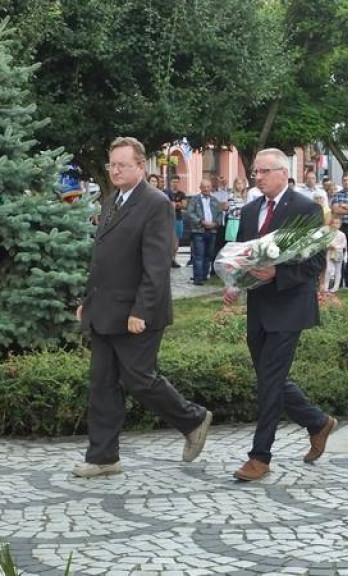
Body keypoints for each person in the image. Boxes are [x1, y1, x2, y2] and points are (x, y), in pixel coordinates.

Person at [74, 137, 212, 477]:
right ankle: (103, 457)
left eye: (122, 165)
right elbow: (102, 260)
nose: (115, 170)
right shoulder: (110, 202)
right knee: (102, 383)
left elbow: (157, 263)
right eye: (112, 165)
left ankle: (193, 418)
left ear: (140, 166)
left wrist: (141, 311)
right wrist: (86, 302)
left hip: (138, 312)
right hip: (104, 309)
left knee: (139, 380)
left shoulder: (155, 204)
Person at [224, 148, 337, 482]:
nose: (256, 177)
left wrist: (278, 274)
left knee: (270, 381)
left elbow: (315, 263)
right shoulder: (249, 210)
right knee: (269, 378)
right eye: (255, 172)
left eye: (262, 171)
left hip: (289, 306)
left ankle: (260, 457)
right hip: (258, 306)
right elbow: (241, 254)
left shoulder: (306, 209)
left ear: (282, 174)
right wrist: (232, 280)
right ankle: (317, 422)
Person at [185, 179, 223, 285]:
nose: (206, 189)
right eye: (204, 187)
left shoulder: (215, 200)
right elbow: (190, 213)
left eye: (208, 187)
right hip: (199, 230)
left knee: (208, 255)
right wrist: (201, 222)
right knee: (199, 255)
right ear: (200, 188)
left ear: (211, 188)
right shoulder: (194, 200)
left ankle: (205, 276)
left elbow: (220, 214)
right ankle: (198, 278)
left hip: (212, 230)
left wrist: (215, 224)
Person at [324, 216, 348, 292]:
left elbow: (344, 244)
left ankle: (336, 287)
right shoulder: (328, 234)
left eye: (338, 223)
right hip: (330, 252)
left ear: (340, 225)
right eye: (334, 223)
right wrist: (329, 245)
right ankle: (325, 286)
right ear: (331, 224)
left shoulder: (342, 234)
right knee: (328, 269)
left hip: (338, 253)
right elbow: (325, 243)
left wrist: (336, 247)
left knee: (338, 270)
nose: (336, 225)